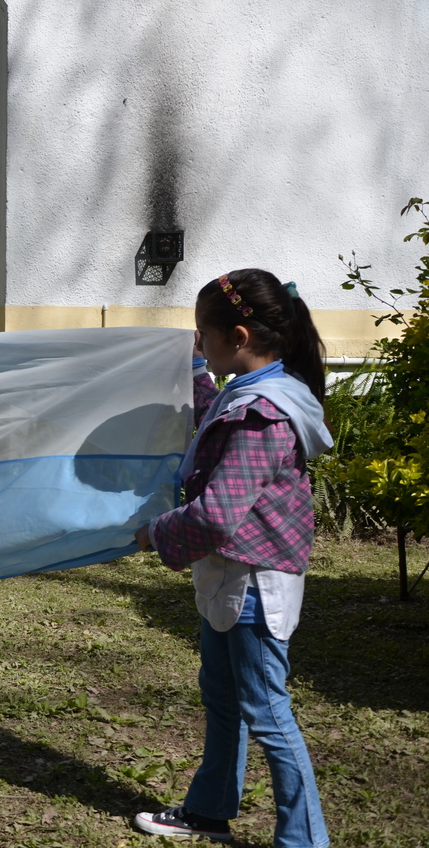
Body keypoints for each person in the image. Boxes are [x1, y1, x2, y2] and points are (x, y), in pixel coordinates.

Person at [132, 269, 331, 847]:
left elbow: (217, 514)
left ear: (237, 335)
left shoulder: (262, 413)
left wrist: (155, 533)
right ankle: (210, 808)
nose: (199, 341)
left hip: (253, 588)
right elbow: (213, 418)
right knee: (223, 698)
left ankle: (305, 840)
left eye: (203, 333)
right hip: (231, 578)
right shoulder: (250, 391)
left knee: (267, 712)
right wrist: (196, 368)